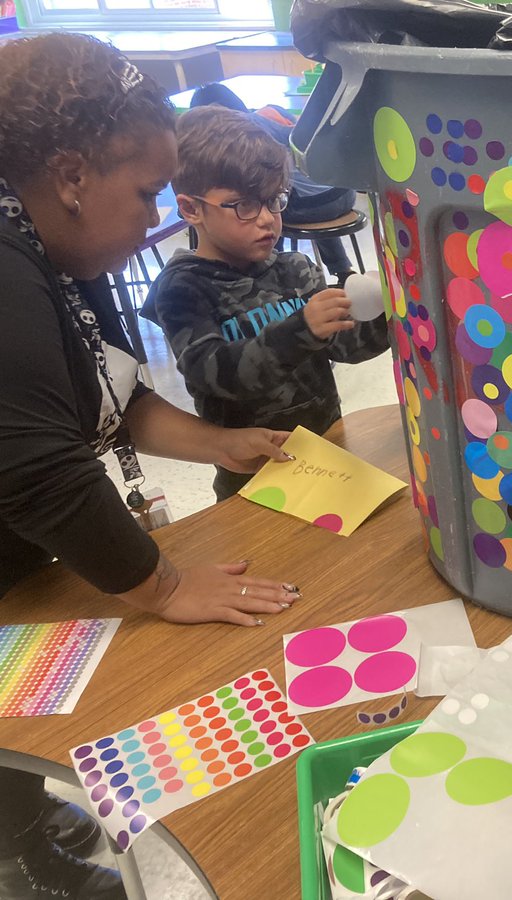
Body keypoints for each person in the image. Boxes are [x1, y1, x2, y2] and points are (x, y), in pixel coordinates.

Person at [0, 34, 303, 899]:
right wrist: (164, 588)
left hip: (22, 551)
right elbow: (32, 467)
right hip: (14, 527)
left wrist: (220, 443)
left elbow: (117, 390)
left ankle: (25, 828)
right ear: (69, 175)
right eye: (143, 195)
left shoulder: (60, 244)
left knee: (32, 709)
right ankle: (19, 851)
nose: (153, 220)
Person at [143, 105, 389, 501]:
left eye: (274, 199)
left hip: (326, 453)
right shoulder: (183, 288)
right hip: (251, 479)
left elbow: (345, 346)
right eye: (243, 205)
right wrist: (300, 330)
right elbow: (214, 374)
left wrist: (390, 314)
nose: (267, 219)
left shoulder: (295, 268)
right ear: (191, 209)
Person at [187, 81, 359, 284]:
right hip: (344, 192)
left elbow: (261, 187)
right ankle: (342, 269)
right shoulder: (273, 111)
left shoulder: (243, 131)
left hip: (312, 206)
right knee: (289, 194)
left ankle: (269, 271)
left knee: (263, 203)